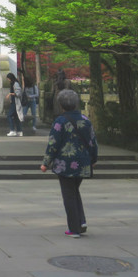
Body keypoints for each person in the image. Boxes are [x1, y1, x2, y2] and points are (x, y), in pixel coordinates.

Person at [40, 89, 98, 238]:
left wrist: (46, 163)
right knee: (74, 191)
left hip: (65, 163)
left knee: (69, 195)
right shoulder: (85, 120)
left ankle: (74, 228)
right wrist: (93, 159)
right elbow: (93, 142)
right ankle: (81, 221)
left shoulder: (60, 121)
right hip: (83, 162)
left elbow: (53, 143)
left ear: (61, 105)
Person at [6, 72, 24, 136]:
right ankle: (19, 131)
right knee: (16, 117)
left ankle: (12, 130)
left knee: (9, 115)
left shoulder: (15, 84)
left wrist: (10, 94)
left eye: (8, 79)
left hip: (16, 103)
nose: (8, 80)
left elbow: (18, 93)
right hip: (13, 102)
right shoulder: (13, 83)